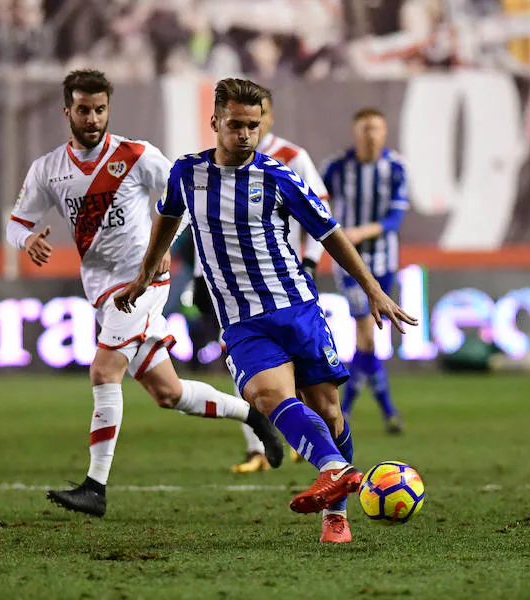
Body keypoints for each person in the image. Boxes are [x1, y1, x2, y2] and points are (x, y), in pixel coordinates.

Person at [115, 78, 417, 544]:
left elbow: (329, 232)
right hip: (240, 319)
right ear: (215, 121)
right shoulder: (186, 173)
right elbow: (168, 218)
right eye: (235, 125)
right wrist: (144, 274)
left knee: (330, 412)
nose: (244, 135)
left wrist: (373, 289)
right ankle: (336, 475)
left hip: (295, 307)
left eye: (253, 126)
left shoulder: (278, 176)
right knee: (266, 396)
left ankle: (335, 507)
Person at [5, 70, 283, 518]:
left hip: (141, 283)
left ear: (108, 110)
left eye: (99, 109)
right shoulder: (48, 170)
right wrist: (27, 240)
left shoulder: (136, 155)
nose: (92, 118)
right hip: (101, 289)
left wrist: (164, 251)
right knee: (168, 393)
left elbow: (185, 197)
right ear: (68, 112)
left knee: (103, 371)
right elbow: (16, 223)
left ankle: (95, 487)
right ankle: (255, 418)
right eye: (83, 109)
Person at [230, 88, 331, 474]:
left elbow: (319, 211)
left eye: (259, 117)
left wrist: (309, 262)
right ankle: (259, 449)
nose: (251, 127)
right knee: (244, 373)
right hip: (239, 289)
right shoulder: (219, 166)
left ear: (268, 117)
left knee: (304, 376)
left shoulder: (291, 157)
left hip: (288, 282)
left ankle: (303, 441)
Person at [322, 107, 410, 435]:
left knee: (368, 340)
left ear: (384, 133)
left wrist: (360, 232)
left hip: (385, 263)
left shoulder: (397, 168)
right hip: (349, 264)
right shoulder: (335, 167)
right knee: (367, 337)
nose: (370, 135)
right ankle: (376, 411)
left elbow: (394, 220)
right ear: (355, 133)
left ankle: (349, 409)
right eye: (364, 129)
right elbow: (316, 203)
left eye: (376, 128)